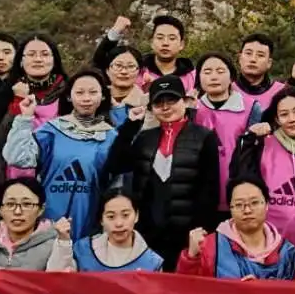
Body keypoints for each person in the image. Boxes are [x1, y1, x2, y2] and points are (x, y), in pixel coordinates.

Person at [105, 76, 219, 270]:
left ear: (185, 101)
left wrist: (202, 230)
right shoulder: (144, 138)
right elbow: (116, 165)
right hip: (147, 232)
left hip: (187, 233)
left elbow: (210, 189)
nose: (165, 107)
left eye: (171, 100)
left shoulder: (204, 137)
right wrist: (130, 126)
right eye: (158, 103)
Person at [4, 69, 120, 239]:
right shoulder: (51, 131)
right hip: (48, 226)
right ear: (68, 96)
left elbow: (118, 185)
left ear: (103, 96)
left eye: (93, 92)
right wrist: (25, 118)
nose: (86, 98)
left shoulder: (112, 137)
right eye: (79, 92)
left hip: (91, 228)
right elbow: (17, 158)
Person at [229, 88, 295, 250]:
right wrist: (248, 139)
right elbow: (239, 175)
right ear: (276, 118)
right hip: (270, 245)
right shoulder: (264, 145)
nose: (292, 119)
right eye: (284, 114)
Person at [0, 34, 69, 178]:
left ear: (54, 60)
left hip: (59, 175)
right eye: (31, 54)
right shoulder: (6, 93)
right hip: (19, 177)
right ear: (21, 61)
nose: (38, 59)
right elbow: (0, 141)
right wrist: (18, 101)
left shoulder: (69, 93)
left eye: (45, 54)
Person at [192, 52, 260, 204]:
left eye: (220, 71)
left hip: (239, 194)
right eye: (207, 72)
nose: (214, 77)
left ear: (232, 77)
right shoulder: (193, 109)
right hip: (201, 194)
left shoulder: (251, 108)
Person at [95, 14, 196, 93]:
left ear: (181, 44)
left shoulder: (192, 76)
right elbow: (101, 63)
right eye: (160, 37)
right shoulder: (136, 69)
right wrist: (115, 32)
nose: (165, 43)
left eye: (172, 38)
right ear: (151, 42)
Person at [235, 33, 283, 112]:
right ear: (240, 58)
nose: (253, 59)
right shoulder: (227, 90)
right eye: (248, 53)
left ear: (269, 63)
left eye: (260, 55)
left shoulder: (281, 92)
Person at [101, 43, 148, 125]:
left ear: (139, 72)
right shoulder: (94, 100)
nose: (124, 72)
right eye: (118, 65)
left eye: (131, 66)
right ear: (107, 70)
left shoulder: (147, 104)